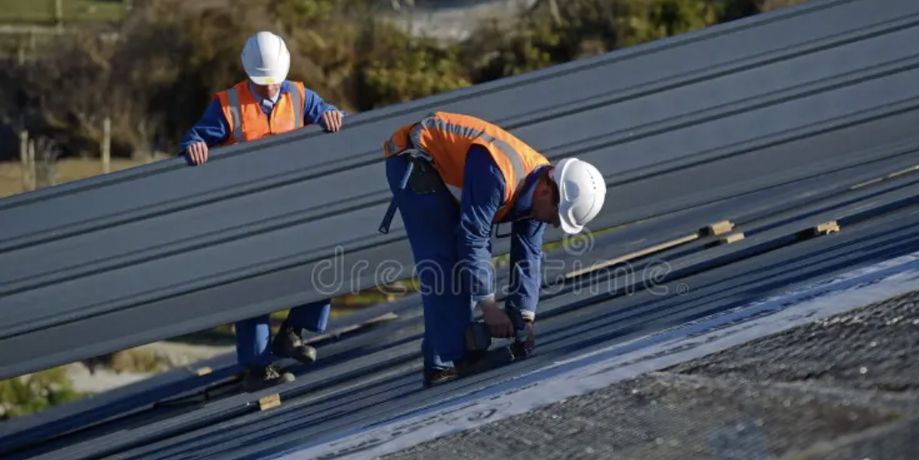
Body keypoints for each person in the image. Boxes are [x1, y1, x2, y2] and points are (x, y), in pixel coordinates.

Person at [382, 112, 606, 386]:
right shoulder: (499, 173)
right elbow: (473, 238)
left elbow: (529, 253)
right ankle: (447, 360)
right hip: (413, 159)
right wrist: (488, 306)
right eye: (555, 216)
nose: (554, 224)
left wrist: (524, 316)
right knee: (444, 264)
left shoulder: (541, 185)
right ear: (547, 192)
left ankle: (446, 354)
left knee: (463, 264)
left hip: (441, 164)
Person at [180, 31, 345, 391]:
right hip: (248, 215)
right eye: (262, 82)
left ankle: (293, 332)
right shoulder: (228, 106)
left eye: (275, 81)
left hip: (294, 207)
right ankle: (258, 368)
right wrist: (194, 145)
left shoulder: (300, 96)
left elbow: (329, 114)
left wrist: (332, 115)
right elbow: (194, 138)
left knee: (327, 260)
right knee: (254, 289)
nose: (270, 87)